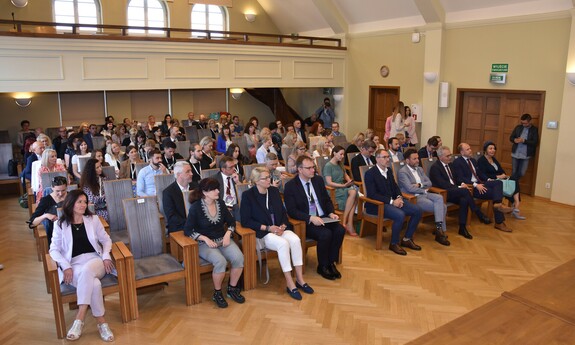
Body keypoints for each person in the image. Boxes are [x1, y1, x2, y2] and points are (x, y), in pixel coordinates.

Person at [49, 190, 115, 342]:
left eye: (85, 202)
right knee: (95, 285)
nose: (83, 205)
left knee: (88, 272)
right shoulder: (60, 224)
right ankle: (102, 323)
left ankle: (79, 318)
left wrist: (105, 257)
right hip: (74, 265)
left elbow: (106, 240)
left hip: (95, 261)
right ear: (70, 203)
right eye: (79, 201)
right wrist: (65, 266)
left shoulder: (93, 220)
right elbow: (53, 249)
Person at [240, 167, 313, 300]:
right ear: (256, 181)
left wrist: (283, 225)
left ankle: (300, 279)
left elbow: (283, 213)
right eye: (265, 178)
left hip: (279, 229)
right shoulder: (248, 196)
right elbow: (246, 221)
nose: (270, 180)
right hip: (263, 233)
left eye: (269, 177)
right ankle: (290, 283)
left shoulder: (273, 191)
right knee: (283, 244)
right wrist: (268, 228)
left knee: (295, 240)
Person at [184, 178, 245, 308]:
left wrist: (228, 233)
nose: (218, 191)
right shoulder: (196, 208)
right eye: (214, 189)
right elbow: (188, 230)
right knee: (220, 261)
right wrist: (204, 238)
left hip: (222, 240)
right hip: (204, 244)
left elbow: (231, 222)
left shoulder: (221, 204)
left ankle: (232, 289)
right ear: (205, 192)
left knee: (239, 258)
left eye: (218, 188)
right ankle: (217, 293)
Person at [284, 156, 345, 281]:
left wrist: (331, 213)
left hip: (323, 217)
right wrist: (310, 218)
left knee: (340, 230)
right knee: (326, 234)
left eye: (313, 167)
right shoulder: (291, 186)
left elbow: (326, 200)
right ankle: (322, 266)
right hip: (306, 221)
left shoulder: (318, 180)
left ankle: (330, 262)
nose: (313, 170)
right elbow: (292, 211)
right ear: (300, 169)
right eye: (309, 168)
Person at [364, 149, 423, 255]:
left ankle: (406, 239)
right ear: (377, 159)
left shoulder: (389, 170)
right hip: (377, 205)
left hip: (393, 201)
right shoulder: (370, 173)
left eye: (388, 157)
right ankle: (394, 243)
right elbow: (372, 195)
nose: (388, 159)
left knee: (417, 210)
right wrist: (392, 202)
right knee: (400, 214)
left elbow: (395, 187)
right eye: (385, 157)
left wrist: (399, 197)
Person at [429, 146, 492, 239]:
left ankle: (462, 228)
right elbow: (443, 184)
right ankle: (477, 212)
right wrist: (459, 187)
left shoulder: (450, 164)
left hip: (455, 191)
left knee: (464, 200)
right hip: (444, 193)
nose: (450, 157)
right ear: (440, 157)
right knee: (465, 191)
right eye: (448, 156)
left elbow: (457, 178)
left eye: (450, 155)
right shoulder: (435, 168)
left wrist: (462, 183)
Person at [452, 143, 514, 232]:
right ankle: (499, 222)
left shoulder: (473, 160)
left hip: (481, 182)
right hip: (472, 187)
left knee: (498, 183)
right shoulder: (457, 162)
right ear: (462, 152)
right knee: (496, 194)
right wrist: (476, 185)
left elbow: (480, 173)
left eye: (470, 148)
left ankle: (497, 204)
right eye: (468, 149)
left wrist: (488, 180)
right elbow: (460, 178)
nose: (471, 150)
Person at [397, 149, 450, 246]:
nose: (417, 160)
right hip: (414, 197)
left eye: (417, 158)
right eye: (414, 159)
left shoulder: (420, 169)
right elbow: (409, 188)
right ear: (407, 161)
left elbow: (429, 183)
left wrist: (419, 184)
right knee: (444, 207)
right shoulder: (403, 172)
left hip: (424, 193)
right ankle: (441, 232)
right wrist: (423, 189)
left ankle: (438, 229)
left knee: (439, 198)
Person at [478, 141, 525, 220]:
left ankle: (516, 204)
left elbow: (501, 169)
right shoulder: (481, 160)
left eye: (494, 149)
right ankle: (516, 207)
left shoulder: (494, 159)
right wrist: (497, 176)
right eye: (490, 148)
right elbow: (483, 175)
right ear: (485, 150)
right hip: (492, 181)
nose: (493, 150)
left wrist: (503, 174)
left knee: (514, 178)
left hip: (501, 179)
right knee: (510, 182)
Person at [322, 145, 358, 237]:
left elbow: (346, 176)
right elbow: (329, 183)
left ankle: (346, 222)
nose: (342, 156)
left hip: (343, 187)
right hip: (334, 190)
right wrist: (343, 185)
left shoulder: (340, 164)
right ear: (334, 153)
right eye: (341, 154)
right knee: (353, 195)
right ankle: (347, 223)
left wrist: (350, 181)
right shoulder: (328, 166)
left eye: (343, 154)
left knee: (354, 192)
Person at [28, 176, 68, 245]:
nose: (60, 194)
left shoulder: (71, 197)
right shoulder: (46, 200)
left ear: (67, 187)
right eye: (57, 191)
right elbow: (32, 224)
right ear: (52, 188)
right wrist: (45, 215)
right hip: (55, 235)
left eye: (63, 190)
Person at [163, 161, 195, 234]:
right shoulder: (168, 192)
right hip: (179, 227)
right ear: (178, 174)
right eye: (188, 172)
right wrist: (190, 223)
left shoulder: (196, 187)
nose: (191, 174)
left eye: (191, 171)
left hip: (197, 224)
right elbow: (171, 216)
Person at [509, 113, 539, 182]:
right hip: (515, 153)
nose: (523, 125)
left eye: (525, 123)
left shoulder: (534, 130)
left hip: (526, 155)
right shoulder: (518, 127)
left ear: (530, 121)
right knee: (514, 171)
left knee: (522, 172)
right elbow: (511, 138)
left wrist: (524, 141)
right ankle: (514, 187)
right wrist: (514, 140)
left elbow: (535, 142)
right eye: (522, 123)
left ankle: (512, 184)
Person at [215, 156, 241, 220]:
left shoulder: (238, 176)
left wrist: (238, 182)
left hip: (236, 207)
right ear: (223, 169)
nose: (234, 169)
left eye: (234, 166)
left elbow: (244, 196)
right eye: (231, 167)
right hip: (222, 208)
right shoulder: (214, 179)